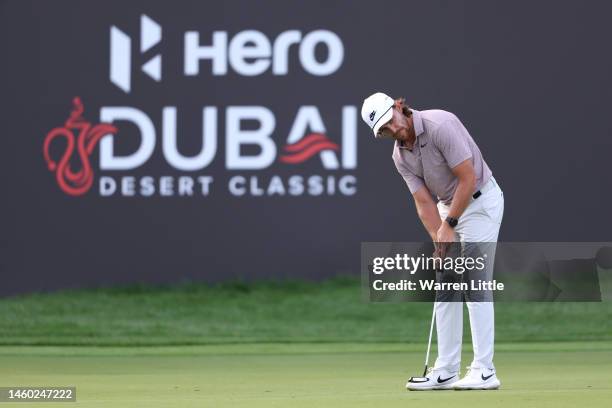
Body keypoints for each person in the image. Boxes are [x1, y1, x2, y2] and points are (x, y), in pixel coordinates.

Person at [361, 92, 504, 390]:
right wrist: (440, 239)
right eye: (384, 130)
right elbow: (423, 202)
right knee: (446, 282)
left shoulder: (440, 124)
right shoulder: (400, 156)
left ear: (399, 107)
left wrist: (449, 225)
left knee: (475, 281)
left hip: (479, 202)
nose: (393, 130)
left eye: (391, 121)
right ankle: (447, 369)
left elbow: (467, 178)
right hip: (446, 208)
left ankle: (484, 370)